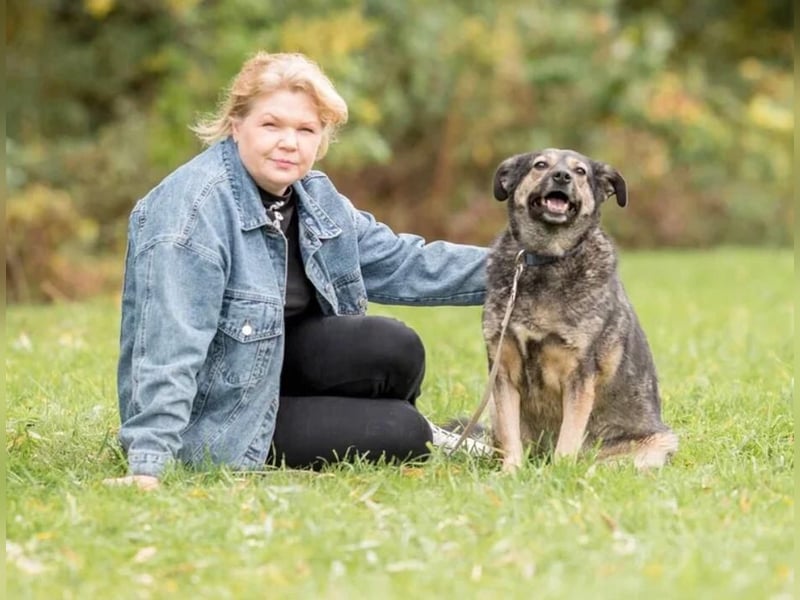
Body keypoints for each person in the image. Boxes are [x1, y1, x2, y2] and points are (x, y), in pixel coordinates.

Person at [105, 52, 490, 490]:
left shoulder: (310, 196)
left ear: (321, 139)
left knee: (395, 346)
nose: (290, 142)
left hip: (276, 366)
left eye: (306, 130)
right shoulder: (192, 213)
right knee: (404, 433)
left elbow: (404, 261)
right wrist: (149, 462)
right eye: (272, 125)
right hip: (220, 414)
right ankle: (411, 430)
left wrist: (527, 263)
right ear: (236, 125)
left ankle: (379, 423)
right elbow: (169, 346)